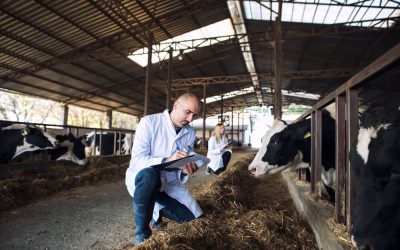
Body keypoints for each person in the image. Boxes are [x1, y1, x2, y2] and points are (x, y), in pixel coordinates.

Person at [125, 93, 202, 245]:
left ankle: (156, 211)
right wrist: (166, 159)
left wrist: (184, 169)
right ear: (176, 105)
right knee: (150, 174)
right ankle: (142, 233)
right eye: (188, 112)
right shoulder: (149, 122)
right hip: (144, 181)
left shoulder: (190, 132)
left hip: (168, 185)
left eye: (194, 115)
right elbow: (137, 160)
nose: (190, 119)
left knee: (193, 217)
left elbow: (183, 160)